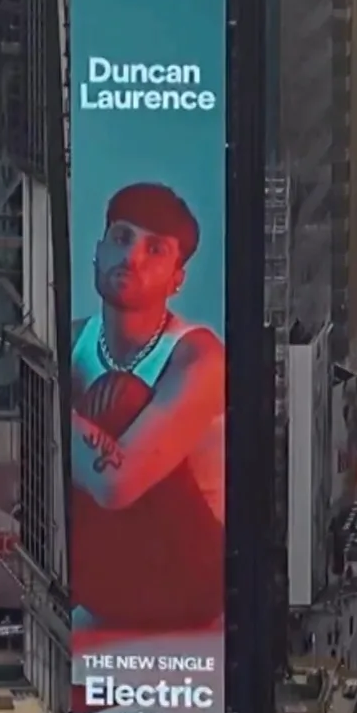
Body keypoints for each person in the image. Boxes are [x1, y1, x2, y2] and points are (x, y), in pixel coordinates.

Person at [69, 182, 227, 632]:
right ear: (97, 251)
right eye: (121, 238)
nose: (131, 257)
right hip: (105, 581)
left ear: (177, 278)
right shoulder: (74, 339)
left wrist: (47, 414)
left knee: (122, 396)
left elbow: (117, 483)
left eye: (154, 249)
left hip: (189, 582)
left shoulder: (198, 356)